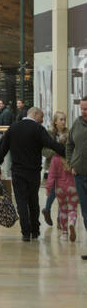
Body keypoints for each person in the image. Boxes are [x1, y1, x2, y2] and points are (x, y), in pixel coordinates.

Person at [0, 108, 65, 242]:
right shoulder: (38, 129)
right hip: (33, 172)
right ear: (34, 114)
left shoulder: (13, 128)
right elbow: (51, 144)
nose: (42, 120)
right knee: (33, 201)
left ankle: (25, 232)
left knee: (21, 201)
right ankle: (35, 230)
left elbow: (3, 147)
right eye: (42, 117)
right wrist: (66, 152)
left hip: (18, 172)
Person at [65, 97, 87, 258]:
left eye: (86, 109)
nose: (84, 112)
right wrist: (71, 163)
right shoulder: (77, 124)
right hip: (79, 174)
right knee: (85, 213)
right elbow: (69, 144)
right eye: (83, 109)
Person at [45, 145, 79, 243]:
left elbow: (51, 175)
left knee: (63, 210)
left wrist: (48, 188)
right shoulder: (74, 157)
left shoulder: (55, 159)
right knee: (72, 209)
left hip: (60, 189)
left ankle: (64, 233)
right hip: (73, 187)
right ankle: (71, 223)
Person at [42, 111, 68, 226]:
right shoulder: (49, 134)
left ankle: (59, 218)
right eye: (61, 119)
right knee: (53, 190)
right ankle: (47, 210)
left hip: (64, 167)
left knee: (62, 192)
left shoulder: (68, 133)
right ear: (55, 122)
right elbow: (44, 151)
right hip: (52, 166)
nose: (63, 122)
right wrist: (57, 152)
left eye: (64, 119)